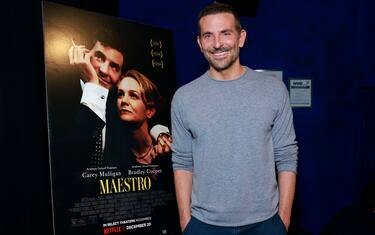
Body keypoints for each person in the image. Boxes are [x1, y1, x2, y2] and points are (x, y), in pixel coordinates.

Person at [171, 2, 298, 235]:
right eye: (208, 36)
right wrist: (185, 222)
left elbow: (287, 155)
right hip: (203, 226)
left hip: (266, 225)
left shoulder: (274, 90)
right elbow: (182, 161)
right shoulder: (184, 97)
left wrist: (283, 220)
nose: (217, 44)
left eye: (225, 34)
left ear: (241, 38)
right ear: (199, 43)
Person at [68, 38, 171, 168]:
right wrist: (93, 84)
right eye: (99, 58)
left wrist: (160, 133)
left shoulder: (116, 104)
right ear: (84, 55)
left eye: (114, 67)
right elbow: (75, 155)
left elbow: (144, 116)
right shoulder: (61, 94)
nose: (104, 70)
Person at [106, 69, 172, 166]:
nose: (124, 100)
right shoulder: (112, 153)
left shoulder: (166, 146)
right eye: (120, 94)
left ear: (150, 111)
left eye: (133, 96)